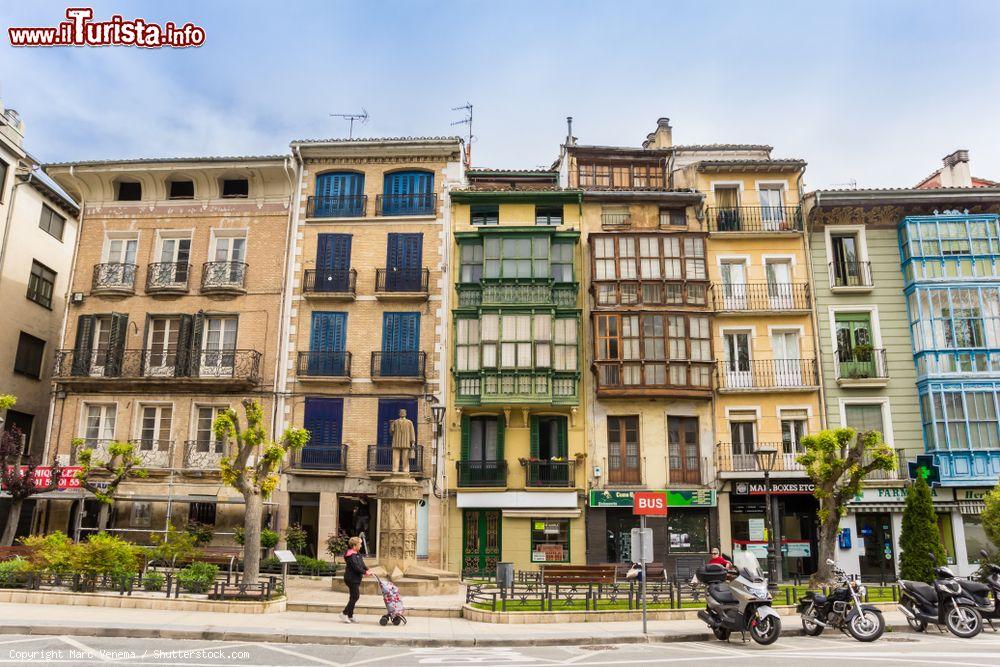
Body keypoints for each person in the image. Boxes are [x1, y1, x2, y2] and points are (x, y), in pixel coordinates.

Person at [341, 536, 370, 623]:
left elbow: (362, 564)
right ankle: (344, 613)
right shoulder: (351, 555)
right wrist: (365, 572)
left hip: (355, 578)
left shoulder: (357, 554)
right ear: (354, 545)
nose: (361, 546)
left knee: (353, 597)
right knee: (355, 596)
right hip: (351, 578)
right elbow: (356, 567)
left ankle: (350, 615)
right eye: (360, 544)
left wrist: (367, 569)